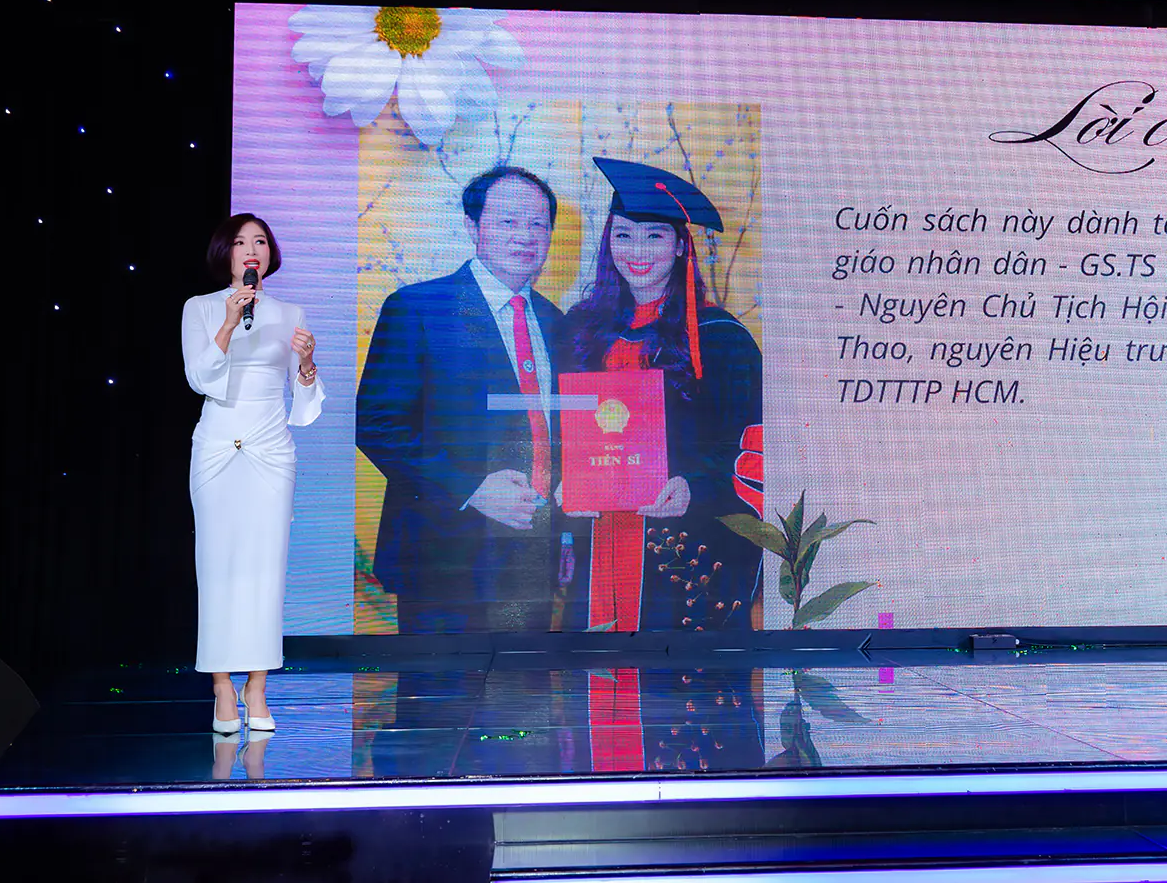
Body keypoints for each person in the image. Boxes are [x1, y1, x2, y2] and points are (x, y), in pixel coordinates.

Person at [558, 157, 763, 632]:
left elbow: (752, 446)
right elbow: (557, 434)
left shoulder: (719, 338)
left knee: (670, 671)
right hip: (596, 538)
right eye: (623, 234)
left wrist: (696, 487)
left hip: (685, 543)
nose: (637, 251)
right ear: (608, 242)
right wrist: (565, 502)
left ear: (679, 246)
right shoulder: (579, 330)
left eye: (654, 236)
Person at [358, 166, 563, 633]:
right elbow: (377, 424)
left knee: (522, 680)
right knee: (439, 682)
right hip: (443, 558)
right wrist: (472, 488)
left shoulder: (558, 322)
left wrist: (566, 531)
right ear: (472, 227)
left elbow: (560, 434)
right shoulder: (419, 308)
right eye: (508, 221)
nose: (525, 235)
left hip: (531, 557)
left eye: (538, 223)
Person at [183, 213, 323, 734]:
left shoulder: (289, 313)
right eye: (241, 241)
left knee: (267, 569)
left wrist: (306, 366)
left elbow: (304, 402)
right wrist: (227, 323)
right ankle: (222, 685)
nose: (251, 250)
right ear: (226, 253)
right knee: (217, 566)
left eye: (260, 241)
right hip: (218, 447)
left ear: (269, 254)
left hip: (270, 449)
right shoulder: (200, 308)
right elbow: (200, 378)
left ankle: (257, 686)